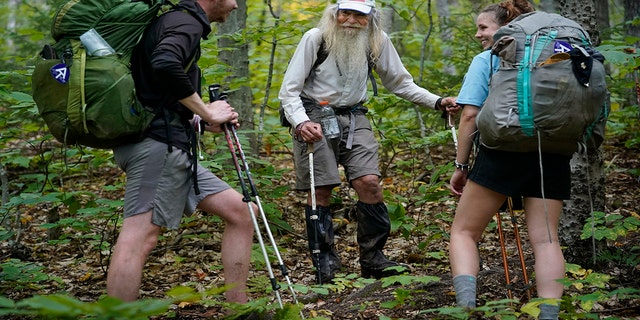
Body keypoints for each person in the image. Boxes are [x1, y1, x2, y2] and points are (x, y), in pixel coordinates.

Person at [279, 0, 458, 284]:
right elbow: (289, 90)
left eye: (358, 15)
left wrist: (436, 102)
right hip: (313, 114)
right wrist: (300, 121)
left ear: (371, 17)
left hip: (355, 115)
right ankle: (324, 261)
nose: (350, 20)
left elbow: (399, 82)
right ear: (334, 13)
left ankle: (373, 258)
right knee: (321, 188)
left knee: (370, 183)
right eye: (345, 13)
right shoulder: (315, 38)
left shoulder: (377, 40)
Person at [106, 0, 256, 306]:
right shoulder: (184, 22)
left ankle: (238, 308)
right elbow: (165, 63)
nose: (237, 5)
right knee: (139, 238)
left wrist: (199, 122)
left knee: (242, 211)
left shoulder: (175, 22)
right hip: (157, 149)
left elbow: (156, 93)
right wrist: (207, 111)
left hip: (168, 145)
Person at [448, 1, 565, 319]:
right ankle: (549, 315)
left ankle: (466, 311)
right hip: (551, 152)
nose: (478, 34)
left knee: (463, 232)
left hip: (500, 154)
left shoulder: (487, 59)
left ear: (506, 26)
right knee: (546, 240)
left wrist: (460, 166)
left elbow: (470, 115)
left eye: (483, 27)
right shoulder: (559, 56)